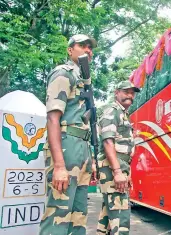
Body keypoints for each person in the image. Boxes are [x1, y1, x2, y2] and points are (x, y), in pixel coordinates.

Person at [39, 34, 97, 235]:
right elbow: (53, 119)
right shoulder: (64, 74)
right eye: (82, 45)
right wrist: (60, 166)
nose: (88, 50)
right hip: (66, 147)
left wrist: (91, 160)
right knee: (58, 215)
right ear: (70, 50)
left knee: (78, 217)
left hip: (81, 149)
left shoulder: (84, 80)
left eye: (90, 47)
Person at [96, 80, 140, 235]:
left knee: (108, 217)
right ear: (116, 93)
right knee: (121, 220)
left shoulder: (122, 114)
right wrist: (117, 171)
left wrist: (126, 172)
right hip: (113, 167)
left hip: (119, 167)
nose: (130, 95)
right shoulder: (112, 111)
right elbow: (108, 141)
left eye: (132, 93)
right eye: (126, 91)